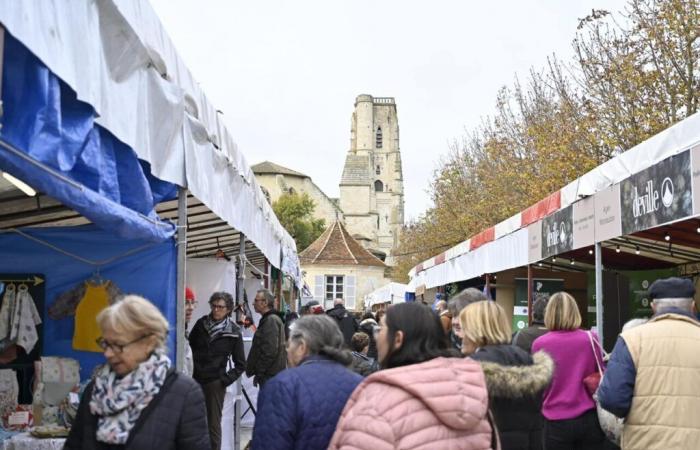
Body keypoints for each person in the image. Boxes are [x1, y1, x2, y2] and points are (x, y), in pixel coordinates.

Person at [329, 302, 495, 449]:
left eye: (381, 329)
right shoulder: (473, 392)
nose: (376, 336)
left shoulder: (378, 400)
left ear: (398, 339)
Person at [65, 295, 210, 450]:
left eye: (118, 344)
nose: (108, 353)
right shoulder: (95, 390)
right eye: (105, 343)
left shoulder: (184, 393)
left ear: (149, 342)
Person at [598, 277, 700, 450]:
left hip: (644, 443)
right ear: (692, 306)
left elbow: (612, 399)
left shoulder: (630, 340)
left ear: (653, 306)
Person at [250, 315, 363, 450]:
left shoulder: (283, 386)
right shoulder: (362, 385)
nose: (287, 350)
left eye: (289, 344)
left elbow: (269, 444)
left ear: (302, 346)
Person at [461, 300, 553, 450]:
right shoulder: (525, 358)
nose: (461, 335)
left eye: (464, 328)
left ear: (475, 329)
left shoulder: (471, 368)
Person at [531, 292, 607, 450]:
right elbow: (601, 373)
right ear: (575, 312)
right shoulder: (591, 339)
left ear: (549, 314)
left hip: (554, 419)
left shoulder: (539, 344)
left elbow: (538, 385)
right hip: (589, 418)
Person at [189, 291, 246, 450]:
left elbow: (241, 364)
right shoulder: (201, 324)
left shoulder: (234, 331)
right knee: (192, 420)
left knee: (213, 425)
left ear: (228, 309)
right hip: (195, 379)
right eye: (214, 306)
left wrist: (224, 380)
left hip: (215, 383)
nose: (216, 310)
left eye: (220, 307)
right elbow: (188, 348)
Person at [246, 289, 287, 388]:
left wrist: (260, 372)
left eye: (256, 300)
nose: (253, 303)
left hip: (270, 376)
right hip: (271, 375)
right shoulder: (269, 319)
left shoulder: (271, 320)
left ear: (265, 303)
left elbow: (270, 351)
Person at [183, 286, 197, 376]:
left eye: (192, 303)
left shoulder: (184, 333)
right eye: (186, 303)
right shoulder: (172, 334)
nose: (191, 307)